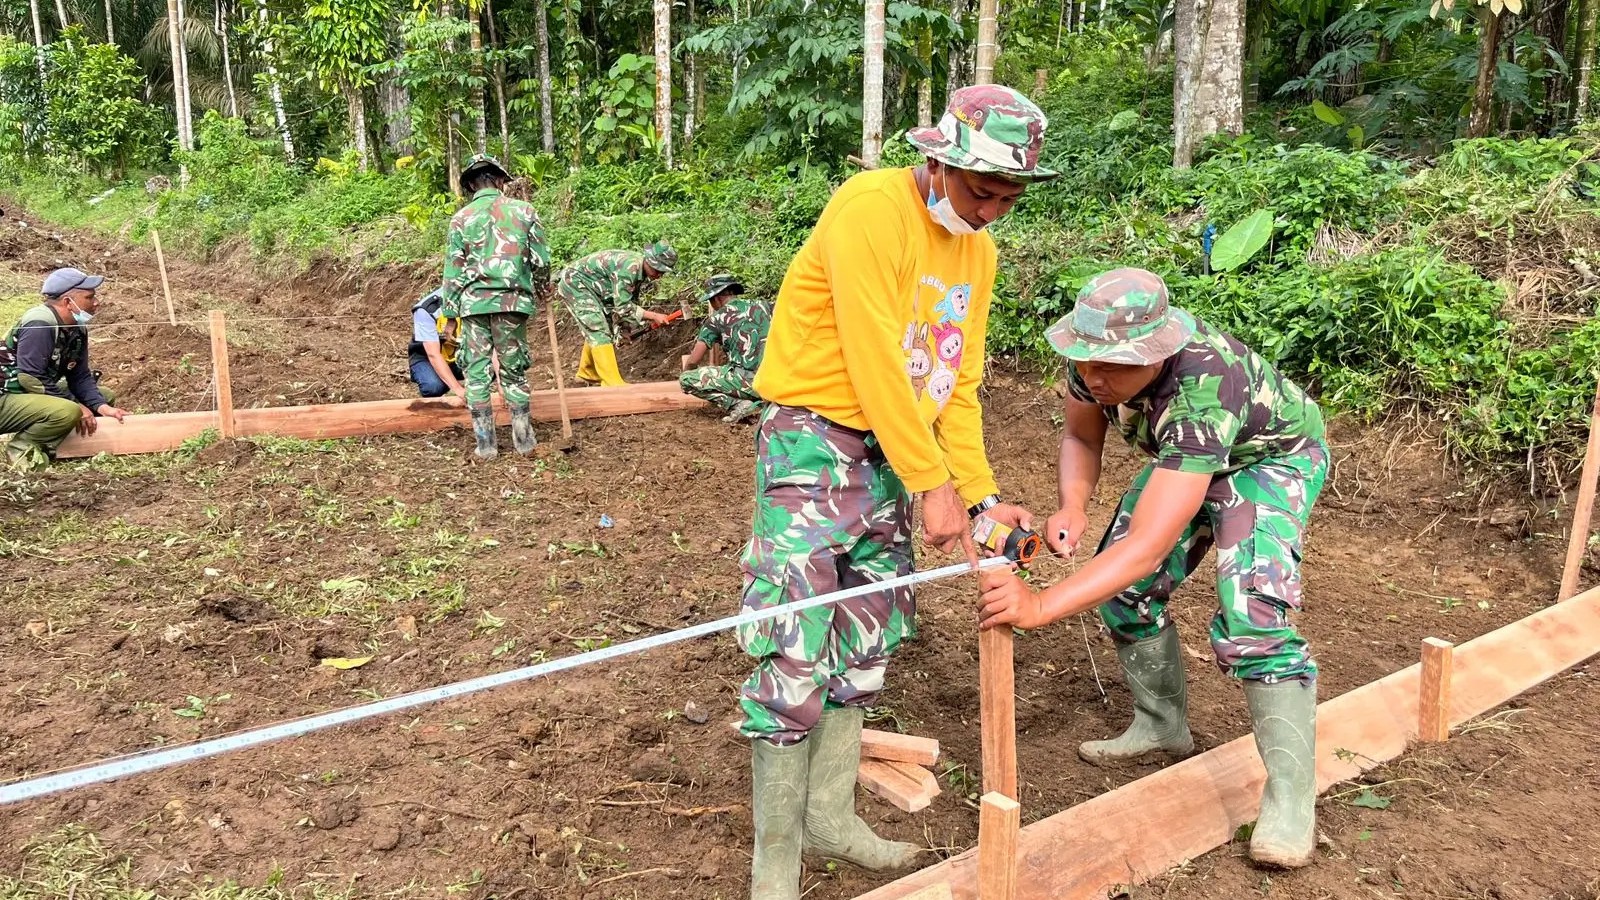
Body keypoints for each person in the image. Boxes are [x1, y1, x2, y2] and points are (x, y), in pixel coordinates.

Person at [736, 85, 1055, 900]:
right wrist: (931, 483)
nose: (990, 213)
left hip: (896, 451)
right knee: (794, 640)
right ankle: (775, 867)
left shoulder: (978, 253)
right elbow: (875, 357)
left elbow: (957, 381)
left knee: (867, 636)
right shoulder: (870, 208)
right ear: (939, 162)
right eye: (981, 191)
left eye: (1009, 199)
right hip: (816, 442)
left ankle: (830, 817)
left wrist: (978, 496)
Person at [976, 268, 1328, 870]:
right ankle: (1162, 725)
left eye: (1112, 365)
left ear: (1157, 350)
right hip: (1184, 460)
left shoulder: (1202, 386)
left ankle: (1292, 801)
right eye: (1086, 361)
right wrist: (1073, 505)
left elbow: (1146, 544)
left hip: (1268, 461)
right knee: (1126, 592)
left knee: (1253, 615)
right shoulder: (1093, 364)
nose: (1095, 376)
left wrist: (1041, 605)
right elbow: (1081, 438)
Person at [441, 154, 551, 459]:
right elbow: (541, 260)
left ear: (471, 185)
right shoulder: (525, 211)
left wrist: (450, 315)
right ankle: (524, 442)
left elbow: (453, 270)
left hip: (474, 306)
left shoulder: (461, 219)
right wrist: (543, 288)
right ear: (501, 180)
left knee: (476, 374)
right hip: (512, 303)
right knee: (513, 370)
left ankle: (486, 446)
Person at [0, 267, 128, 470]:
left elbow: (80, 375)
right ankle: (21, 450)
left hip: (26, 392)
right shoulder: (40, 323)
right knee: (68, 410)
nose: (96, 302)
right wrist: (76, 406)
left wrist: (101, 407)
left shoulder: (76, 327)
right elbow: (31, 378)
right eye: (89, 297)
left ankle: (59, 443)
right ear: (68, 302)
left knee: (104, 397)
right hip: (7, 395)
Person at [557, 242, 677, 387]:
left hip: (595, 289)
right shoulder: (629, 269)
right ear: (650, 262)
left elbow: (628, 301)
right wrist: (654, 316)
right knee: (597, 328)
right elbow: (623, 308)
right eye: (658, 270)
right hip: (575, 283)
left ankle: (587, 372)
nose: (659, 275)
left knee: (603, 327)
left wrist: (624, 330)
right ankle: (612, 383)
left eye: (662, 272)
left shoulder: (639, 271)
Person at [679, 273, 772, 424]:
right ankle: (763, 403)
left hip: (748, 381)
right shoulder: (765, 306)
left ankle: (739, 404)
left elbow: (694, 360)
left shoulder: (716, 319)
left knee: (687, 379)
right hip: (775, 378)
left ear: (716, 298)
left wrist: (687, 372)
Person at [407, 288, 465, 399]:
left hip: (460, 354)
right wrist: (458, 389)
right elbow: (433, 354)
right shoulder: (426, 309)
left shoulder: (478, 301)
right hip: (426, 357)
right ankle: (445, 381)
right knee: (433, 386)